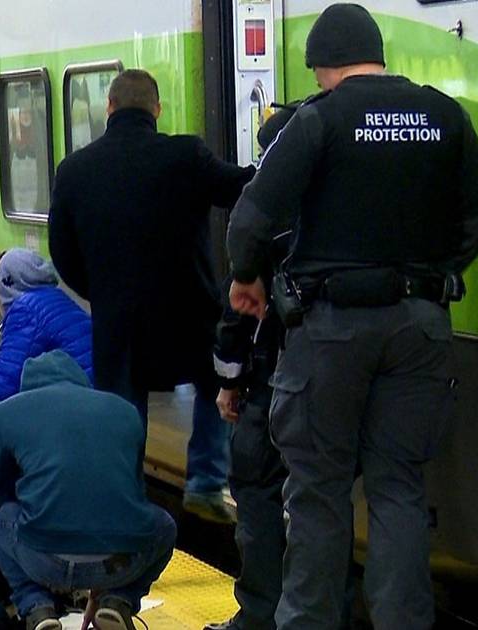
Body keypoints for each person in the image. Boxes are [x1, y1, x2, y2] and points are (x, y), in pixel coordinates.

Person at [225, 5, 478, 629]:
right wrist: (425, 280)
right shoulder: (446, 116)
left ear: (323, 65)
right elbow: (474, 223)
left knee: (317, 495)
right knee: (399, 489)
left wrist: (247, 278)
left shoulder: (319, 120)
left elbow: (252, 216)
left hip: (332, 330)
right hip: (421, 326)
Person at [48, 68, 254, 522]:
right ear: (157, 110)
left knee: (123, 408)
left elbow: (61, 251)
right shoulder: (185, 155)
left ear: (110, 108)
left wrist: (101, 290)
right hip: (189, 312)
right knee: (215, 380)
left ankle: (124, 497)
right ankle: (205, 479)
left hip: (118, 319)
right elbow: (239, 187)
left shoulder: (75, 169)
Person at [0, 351, 176, 630]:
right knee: (164, 526)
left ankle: (36, 608)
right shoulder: (125, 411)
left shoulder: (6, 412)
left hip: (43, 559)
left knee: (4, 518)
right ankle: (118, 601)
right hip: (118, 563)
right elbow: (133, 496)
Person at [204, 104, 299, 630]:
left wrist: (229, 383)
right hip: (338, 378)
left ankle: (261, 614)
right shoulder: (338, 207)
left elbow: (236, 311)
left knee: (258, 494)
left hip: (271, 381)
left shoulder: (262, 213)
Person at [0, 248, 92, 454]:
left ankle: (22, 480)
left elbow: (5, 380)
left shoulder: (26, 310)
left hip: (71, 414)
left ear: (8, 283)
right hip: (89, 402)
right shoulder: (54, 299)